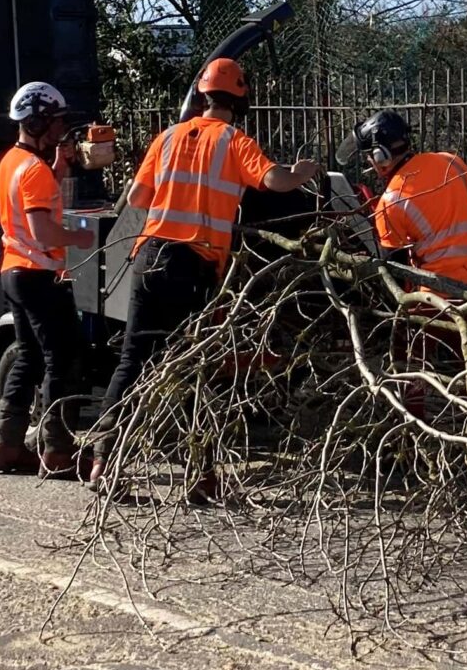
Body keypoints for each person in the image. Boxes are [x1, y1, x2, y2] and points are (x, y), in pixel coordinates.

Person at [92, 58, 321, 473]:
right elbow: (274, 182)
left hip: (149, 258)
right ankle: (200, 473)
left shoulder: (167, 138)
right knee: (196, 365)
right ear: (241, 98)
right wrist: (302, 173)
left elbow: (140, 199)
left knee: (134, 357)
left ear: (202, 94)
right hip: (191, 263)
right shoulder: (234, 141)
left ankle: (104, 459)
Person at [0, 81, 95, 477]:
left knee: (29, 357)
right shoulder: (32, 170)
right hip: (38, 274)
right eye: (54, 121)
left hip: (14, 270)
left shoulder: (12, 163)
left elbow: (31, 197)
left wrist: (60, 167)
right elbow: (43, 232)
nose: (60, 128)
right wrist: (81, 238)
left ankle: (8, 446)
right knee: (64, 359)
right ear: (35, 122)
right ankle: (57, 451)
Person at [357, 110, 467, 290]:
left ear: (380, 156)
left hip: (438, 295)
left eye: (370, 156)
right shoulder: (450, 162)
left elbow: (394, 272)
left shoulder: (391, 201)